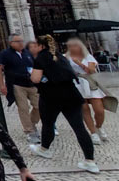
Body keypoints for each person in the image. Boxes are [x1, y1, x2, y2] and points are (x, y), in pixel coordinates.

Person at [28, 35, 98, 173]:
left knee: (48, 124)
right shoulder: (61, 56)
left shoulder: (41, 57)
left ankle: (44, 149)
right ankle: (90, 161)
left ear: (41, 46)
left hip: (51, 96)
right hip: (71, 95)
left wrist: (37, 77)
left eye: (35, 44)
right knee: (79, 128)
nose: (33, 47)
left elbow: (35, 79)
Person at [0, 34, 40, 144]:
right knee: (23, 108)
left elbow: (35, 67)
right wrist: (2, 85)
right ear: (11, 43)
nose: (21, 43)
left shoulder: (27, 53)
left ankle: (32, 123)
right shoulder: (5, 54)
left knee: (39, 106)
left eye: (22, 40)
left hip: (31, 83)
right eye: (18, 41)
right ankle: (29, 131)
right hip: (16, 84)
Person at [66, 38, 112, 145]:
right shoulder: (66, 58)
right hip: (76, 84)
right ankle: (93, 133)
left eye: (75, 46)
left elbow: (91, 70)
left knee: (99, 110)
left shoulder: (88, 57)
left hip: (90, 83)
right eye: (71, 46)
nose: (73, 48)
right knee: (84, 109)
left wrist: (79, 64)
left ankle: (99, 127)